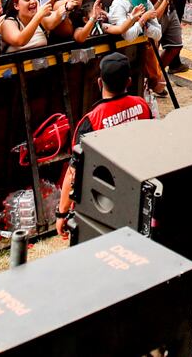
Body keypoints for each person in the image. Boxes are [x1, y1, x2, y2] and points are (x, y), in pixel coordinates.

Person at [56, 50, 153, 240]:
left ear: (100, 82)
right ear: (129, 82)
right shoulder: (142, 106)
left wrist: (62, 213)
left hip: (102, 203)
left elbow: (73, 172)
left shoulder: (91, 121)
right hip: (138, 195)